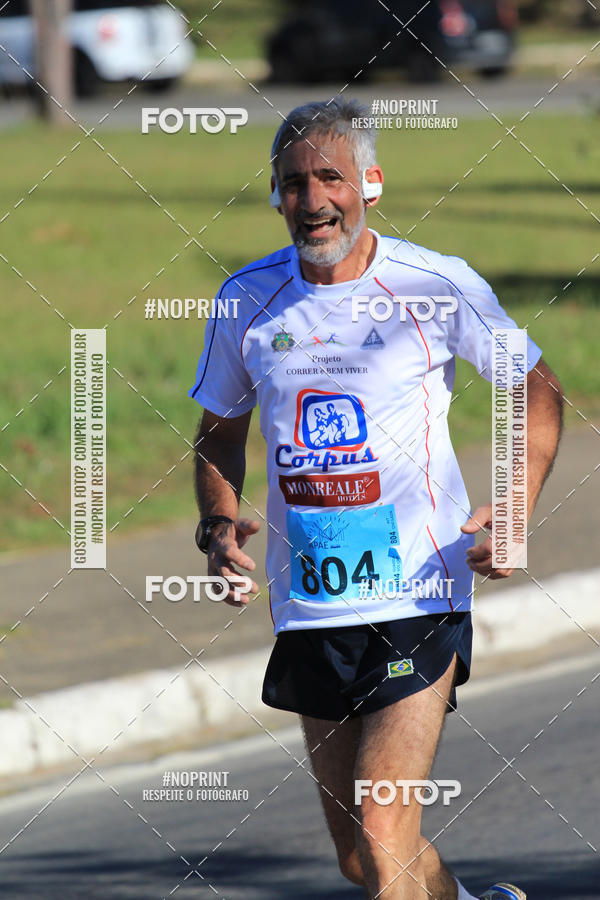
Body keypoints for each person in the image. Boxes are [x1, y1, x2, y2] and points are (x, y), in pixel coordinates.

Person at [189, 99, 563, 900]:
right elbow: (218, 434)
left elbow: (534, 390)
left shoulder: (434, 286)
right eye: (294, 183)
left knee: (385, 829)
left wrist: (515, 501)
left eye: (331, 177)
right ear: (275, 194)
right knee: (362, 858)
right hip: (310, 606)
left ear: (372, 184)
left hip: (419, 589)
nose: (314, 200)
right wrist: (219, 528)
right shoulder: (247, 301)